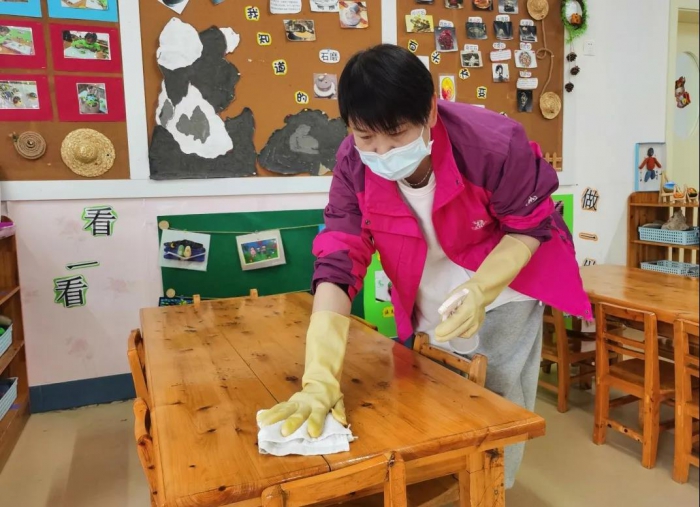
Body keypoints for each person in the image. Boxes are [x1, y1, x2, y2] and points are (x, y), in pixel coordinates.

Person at [258, 44, 590, 490]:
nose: (382, 151)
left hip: (503, 280)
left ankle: (491, 491)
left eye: (396, 135)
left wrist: (482, 290)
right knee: (433, 385)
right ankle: (447, 483)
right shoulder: (353, 163)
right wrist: (319, 376)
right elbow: (339, 256)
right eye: (365, 137)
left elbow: (528, 227)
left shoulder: (492, 143)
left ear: (430, 112)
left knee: (495, 397)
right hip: (426, 282)